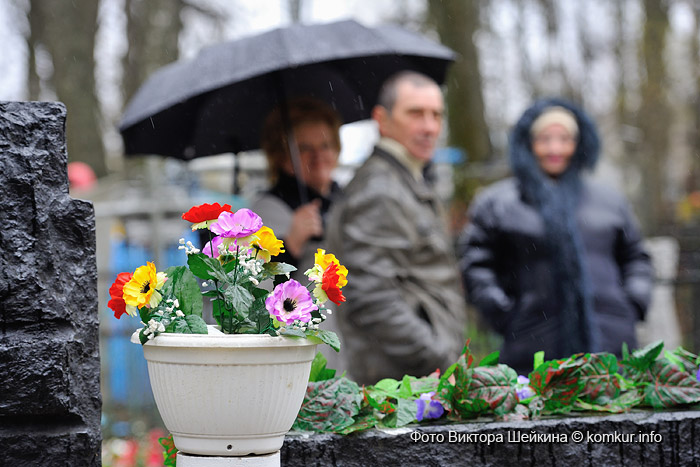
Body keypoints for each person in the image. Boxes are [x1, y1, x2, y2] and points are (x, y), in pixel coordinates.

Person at [458, 98, 654, 375]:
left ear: (578, 143)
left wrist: (632, 302)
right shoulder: (497, 204)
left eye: (565, 139)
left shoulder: (610, 200)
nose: (555, 149)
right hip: (531, 347)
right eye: (544, 139)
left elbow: (635, 256)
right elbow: (477, 264)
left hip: (612, 344)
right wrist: (503, 312)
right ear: (528, 143)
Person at [326, 71, 467, 385]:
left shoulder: (406, 179)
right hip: (400, 385)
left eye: (436, 115)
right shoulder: (381, 189)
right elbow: (372, 299)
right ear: (382, 119)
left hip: (410, 379)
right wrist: (441, 358)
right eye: (415, 113)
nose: (429, 127)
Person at [251, 97, 345, 370]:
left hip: (352, 348)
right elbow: (254, 292)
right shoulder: (266, 211)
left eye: (325, 145)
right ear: (282, 157)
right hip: (302, 352)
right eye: (304, 148)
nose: (318, 156)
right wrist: (290, 242)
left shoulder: (344, 201)